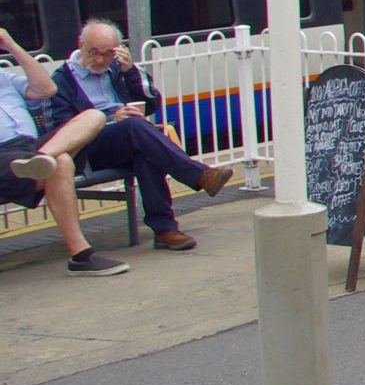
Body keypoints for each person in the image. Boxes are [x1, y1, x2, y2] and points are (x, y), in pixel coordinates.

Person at [48, 19, 232, 251]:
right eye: (94, 52)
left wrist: (131, 71)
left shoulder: (118, 70)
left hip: (126, 139)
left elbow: (152, 102)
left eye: (107, 54)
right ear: (81, 46)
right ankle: (200, 175)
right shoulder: (62, 79)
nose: (100, 60)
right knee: (135, 129)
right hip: (89, 147)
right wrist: (111, 118)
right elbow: (63, 126)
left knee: (144, 150)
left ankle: (165, 230)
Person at [2, 26, 129, 276]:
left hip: (31, 149)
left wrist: (11, 45)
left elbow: (46, 89)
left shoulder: (4, 78)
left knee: (92, 116)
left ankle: (42, 159)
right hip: (2, 154)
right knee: (61, 163)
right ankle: (81, 255)